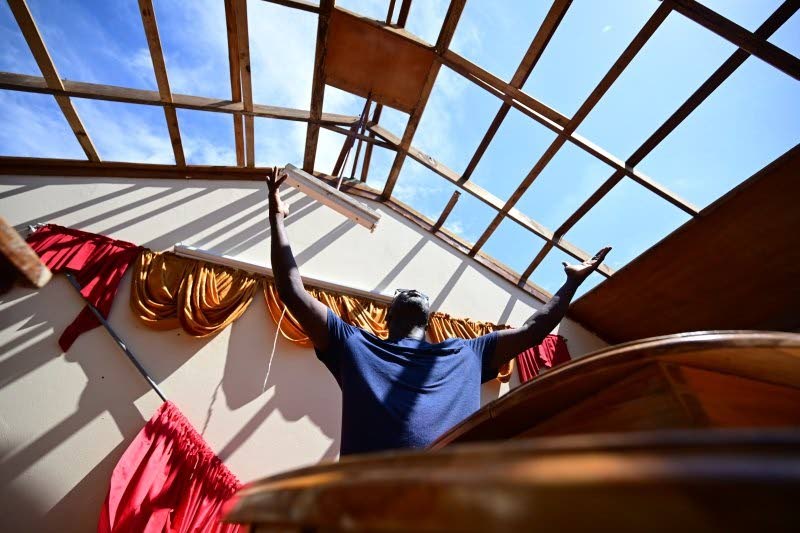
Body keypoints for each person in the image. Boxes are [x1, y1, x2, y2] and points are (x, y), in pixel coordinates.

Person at [267, 168, 610, 455]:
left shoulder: (466, 352)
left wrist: (571, 285)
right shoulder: (354, 344)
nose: (411, 291)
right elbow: (292, 291)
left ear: (429, 317)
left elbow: (534, 330)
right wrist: (277, 220)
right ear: (386, 317)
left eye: (418, 292)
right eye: (401, 292)